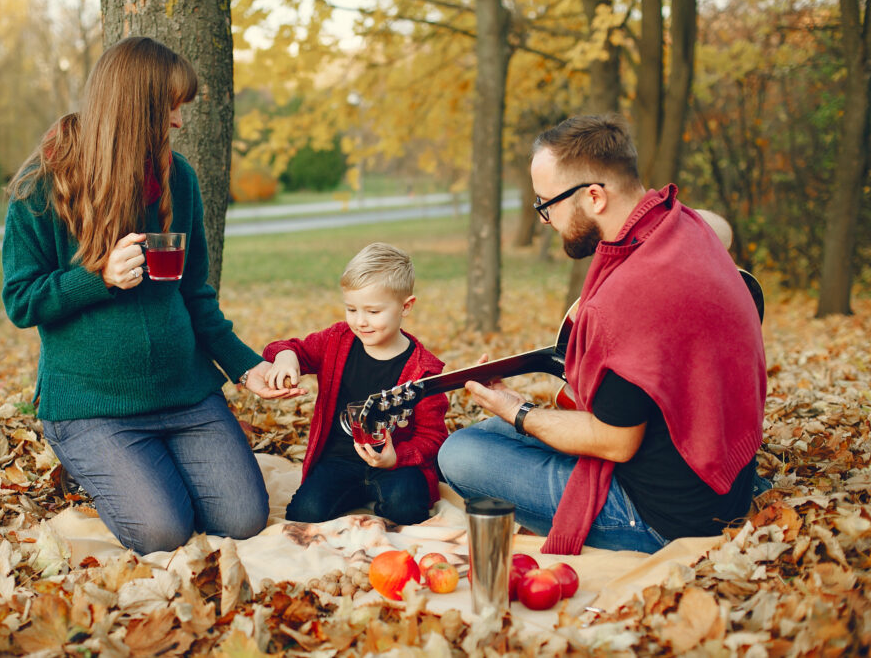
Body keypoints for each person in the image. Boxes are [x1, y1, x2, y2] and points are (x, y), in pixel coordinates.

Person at [2, 37, 298, 556]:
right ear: (135, 108)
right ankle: (110, 466)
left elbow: (197, 297)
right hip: (93, 408)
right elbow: (21, 301)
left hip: (186, 397)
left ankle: (154, 467)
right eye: (169, 107)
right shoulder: (43, 187)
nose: (178, 122)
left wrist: (248, 368)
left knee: (245, 518)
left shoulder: (178, 178)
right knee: (164, 532)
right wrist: (98, 277)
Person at [437, 114, 767, 555]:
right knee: (488, 435)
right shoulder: (681, 224)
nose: (545, 220)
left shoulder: (624, 304)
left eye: (546, 204)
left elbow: (616, 441)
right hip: (723, 478)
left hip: (665, 517)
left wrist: (518, 410)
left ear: (594, 196)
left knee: (459, 454)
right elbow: (719, 225)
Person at [262, 243, 450, 525]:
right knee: (305, 514)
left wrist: (396, 457)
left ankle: (384, 502)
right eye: (352, 309)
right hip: (339, 461)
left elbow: (433, 437)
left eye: (373, 312)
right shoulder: (336, 341)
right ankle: (354, 496)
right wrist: (287, 358)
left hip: (395, 464)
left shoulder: (424, 370)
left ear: (406, 306)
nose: (360, 321)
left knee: (408, 509)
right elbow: (286, 347)